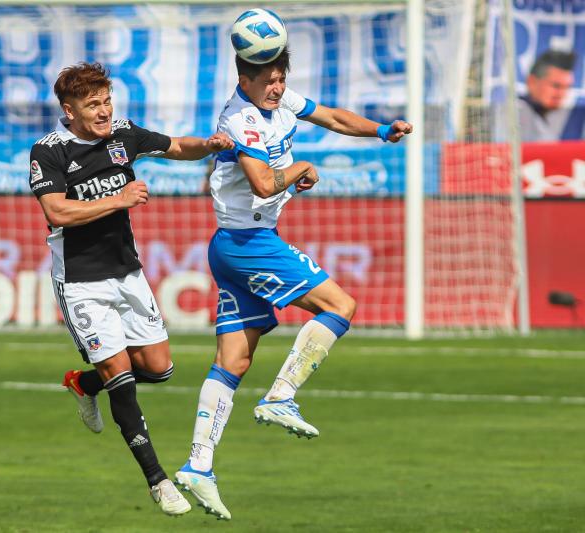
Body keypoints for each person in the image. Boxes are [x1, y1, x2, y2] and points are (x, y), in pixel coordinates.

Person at [173, 47, 412, 520]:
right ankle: (281, 395)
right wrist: (300, 169)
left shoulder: (278, 102)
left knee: (233, 360)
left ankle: (198, 465)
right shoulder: (241, 119)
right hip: (249, 242)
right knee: (340, 305)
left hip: (233, 244)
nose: (277, 88)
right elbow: (263, 183)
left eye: (281, 79)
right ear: (245, 78)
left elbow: (333, 118)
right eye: (269, 81)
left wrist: (382, 130)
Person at [29, 62, 233, 516]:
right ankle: (158, 480)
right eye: (92, 104)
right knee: (121, 379)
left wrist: (211, 145)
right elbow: (58, 212)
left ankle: (83, 384)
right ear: (69, 110)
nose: (103, 111)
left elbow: (178, 146)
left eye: (106, 101)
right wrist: (119, 199)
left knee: (160, 369)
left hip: (128, 274)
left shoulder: (123, 134)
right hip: (81, 282)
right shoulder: (49, 151)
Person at [518, 49, 577, 142]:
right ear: (532, 82)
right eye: (556, 86)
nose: (561, 94)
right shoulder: (514, 112)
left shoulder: (556, 117)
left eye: (567, 87)